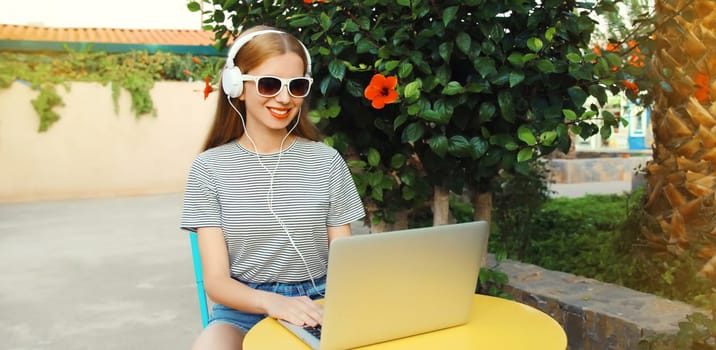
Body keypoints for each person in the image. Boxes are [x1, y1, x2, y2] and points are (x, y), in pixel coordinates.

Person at [180, 25, 365, 350]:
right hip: (242, 311)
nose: (284, 98)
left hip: (319, 305)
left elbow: (344, 263)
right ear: (236, 87)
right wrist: (271, 303)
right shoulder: (209, 168)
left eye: (296, 86)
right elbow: (217, 282)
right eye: (268, 84)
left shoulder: (327, 161)